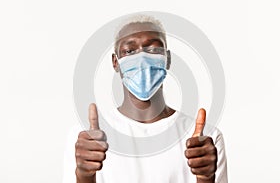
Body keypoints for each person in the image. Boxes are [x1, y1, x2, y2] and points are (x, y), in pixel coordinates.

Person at [63, 15, 228, 183]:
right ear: (115, 62)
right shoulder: (85, 140)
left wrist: (206, 179)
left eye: (154, 49)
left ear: (167, 59)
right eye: (129, 51)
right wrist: (84, 176)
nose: (142, 59)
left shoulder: (206, 139)